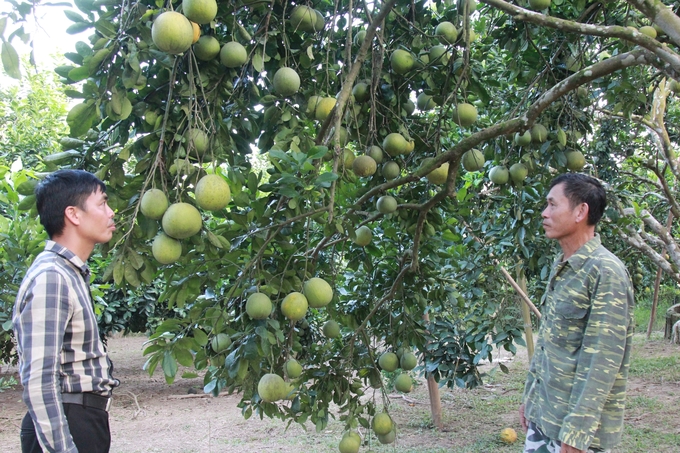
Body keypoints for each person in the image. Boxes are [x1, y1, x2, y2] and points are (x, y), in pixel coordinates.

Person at [519, 173, 635, 453]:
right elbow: (549, 343)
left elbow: (602, 362)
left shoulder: (605, 272)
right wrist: (530, 398)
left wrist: (578, 432)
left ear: (581, 211)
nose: (545, 213)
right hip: (545, 417)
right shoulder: (564, 266)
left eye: (552, 205)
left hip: (576, 434)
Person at [13, 169, 119, 453]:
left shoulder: (67, 272)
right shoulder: (52, 276)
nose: (111, 212)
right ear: (73, 214)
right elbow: (39, 379)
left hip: (83, 418)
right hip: (69, 419)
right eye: (102, 203)